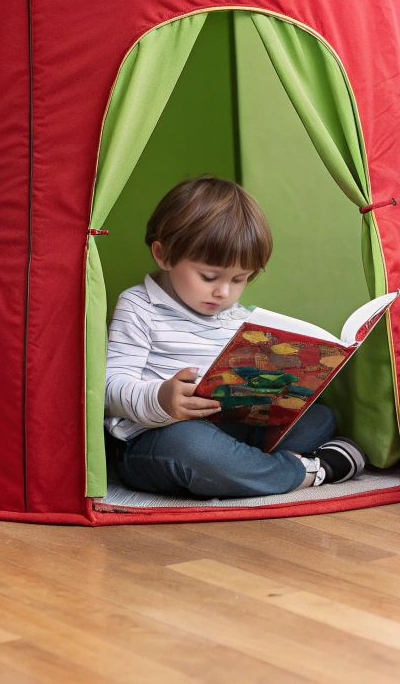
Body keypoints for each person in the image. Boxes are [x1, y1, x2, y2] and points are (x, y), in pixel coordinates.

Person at [104, 174, 366, 497]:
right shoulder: (138, 306)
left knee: (319, 417)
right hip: (157, 438)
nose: (224, 292)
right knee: (194, 449)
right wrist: (161, 398)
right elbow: (109, 388)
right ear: (163, 255)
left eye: (240, 279)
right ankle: (308, 469)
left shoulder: (237, 315)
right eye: (208, 276)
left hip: (232, 429)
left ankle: (246, 470)